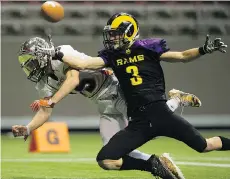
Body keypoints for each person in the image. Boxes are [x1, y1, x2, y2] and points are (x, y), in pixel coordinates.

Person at [45, 12, 230, 179]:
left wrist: (203, 50)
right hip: (139, 121)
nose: (112, 37)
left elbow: (182, 56)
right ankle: (152, 165)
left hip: (161, 113)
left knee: (205, 146)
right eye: (111, 33)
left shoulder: (148, 48)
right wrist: (57, 53)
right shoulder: (113, 55)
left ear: (129, 32)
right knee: (106, 160)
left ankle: (178, 99)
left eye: (116, 33)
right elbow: (85, 63)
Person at [12, 37, 202, 179]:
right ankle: (155, 164)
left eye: (32, 61)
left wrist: (53, 99)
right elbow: (45, 110)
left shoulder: (62, 53)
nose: (30, 66)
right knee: (110, 157)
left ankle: (176, 100)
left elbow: (73, 79)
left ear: (43, 55)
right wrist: (29, 128)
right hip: (103, 105)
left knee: (154, 126)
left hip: (118, 91)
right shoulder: (44, 81)